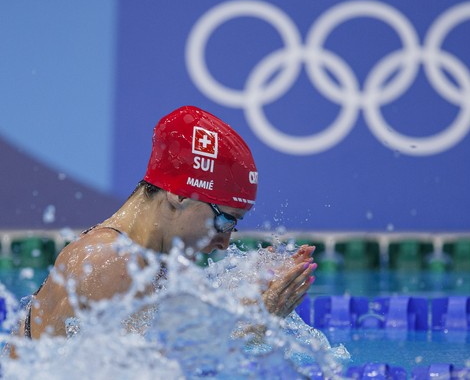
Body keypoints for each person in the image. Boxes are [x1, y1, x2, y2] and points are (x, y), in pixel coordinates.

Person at [16, 105, 317, 341]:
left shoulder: (143, 259)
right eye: (225, 220)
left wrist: (251, 290)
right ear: (179, 196)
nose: (224, 242)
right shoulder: (111, 264)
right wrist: (253, 327)